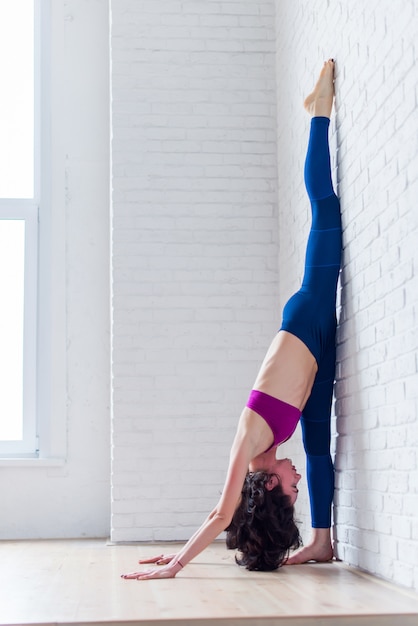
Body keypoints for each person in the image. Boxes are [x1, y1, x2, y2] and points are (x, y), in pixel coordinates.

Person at [122, 59, 341, 580]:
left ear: (268, 486)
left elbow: (222, 512)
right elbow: (226, 515)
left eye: (290, 492)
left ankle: (319, 114)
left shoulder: (248, 444)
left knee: (325, 209)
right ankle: (323, 544)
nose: (295, 486)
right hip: (315, 354)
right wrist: (178, 548)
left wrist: (176, 564)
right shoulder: (264, 455)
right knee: (315, 443)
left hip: (306, 317)